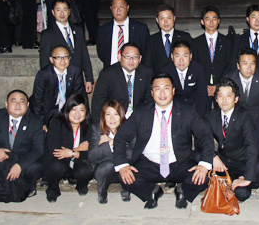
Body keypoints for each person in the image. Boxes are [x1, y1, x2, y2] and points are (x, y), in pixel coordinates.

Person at [113, 72, 214, 209]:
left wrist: (204, 164)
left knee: (204, 177)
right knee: (125, 177)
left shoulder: (187, 111)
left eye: (166, 88)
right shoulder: (141, 112)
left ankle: (182, 190)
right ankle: (152, 191)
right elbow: (121, 136)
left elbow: (205, 135)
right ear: (152, 92)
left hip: (179, 162)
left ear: (173, 91)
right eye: (157, 89)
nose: (162, 93)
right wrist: (122, 164)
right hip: (149, 163)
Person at [0, 90, 45, 201]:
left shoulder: (35, 121)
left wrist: (20, 165)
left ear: (27, 105)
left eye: (22, 101)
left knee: (34, 167)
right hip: (0, 157)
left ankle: (28, 187)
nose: (18, 104)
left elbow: (38, 149)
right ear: (6, 104)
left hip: (21, 158)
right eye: (13, 101)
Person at [205, 78, 257, 202]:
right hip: (221, 162)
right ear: (216, 99)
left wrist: (248, 178)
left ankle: (230, 184)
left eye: (228, 96)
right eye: (221, 96)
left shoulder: (244, 116)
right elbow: (203, 140)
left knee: (242, 193)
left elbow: (251, 147)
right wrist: (214, 157)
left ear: (236, 99)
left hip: (240, 163)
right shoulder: (211, 116)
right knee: (199, 178)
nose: (224, 100)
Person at [43, 93, 94, 203]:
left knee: (86, 170)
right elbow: (55, 150)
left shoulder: (90, 125)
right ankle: (52, 189)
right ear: (67, 109)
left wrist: (72, 153)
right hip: (60, 162)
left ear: (86, 112)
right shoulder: (57, 123)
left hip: (79, 162)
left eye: (81, 110)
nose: (77, 114)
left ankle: (81, 185)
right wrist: (78, 150)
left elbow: (93, 152)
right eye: (73, 109)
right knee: (56, 166)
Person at [38, 0, 94, 93]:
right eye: (58, 10)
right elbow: (44, 61)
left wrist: (89, 78)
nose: (62, 13)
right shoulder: (47, 34)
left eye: (65, 9)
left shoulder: (78, 30)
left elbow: (84, 55)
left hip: (77, 79)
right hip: (59, 81)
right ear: (53, 12)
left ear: (69, 11)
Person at [91, 42, 152, 120]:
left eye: (135, 57)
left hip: (138, 119)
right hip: (115, 119)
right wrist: (98, 124)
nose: (131, 60)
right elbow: (98, 102)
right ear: (119, 57)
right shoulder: (107, 74)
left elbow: (150, 100)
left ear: (140, 59)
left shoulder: (146, 73)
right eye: (127, 56)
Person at [87, 100, 132, 204]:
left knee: (127, 164)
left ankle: (125, 190)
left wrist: (114, 141)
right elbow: (92, 156)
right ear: (103, 117)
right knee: (108, 165)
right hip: (104, 170)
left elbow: (132, 154)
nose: (112, 118)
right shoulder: (96, 129)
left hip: (122, 169)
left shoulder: (128, 129)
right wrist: (109, 145)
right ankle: (102, 191)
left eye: (115, 114)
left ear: (121, 116)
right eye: (108, 114)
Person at [31, 46, 85, 129]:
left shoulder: (75, 71)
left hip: (67, 109)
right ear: (51, 60)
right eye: (58, 57)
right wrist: (41, 122)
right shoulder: (43, 74)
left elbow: (77, 95)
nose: (63, 60)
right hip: (48, 110)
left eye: (66, 57)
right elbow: (38, 101)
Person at [193, 6, 233, 105]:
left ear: (218, 21)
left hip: (222, 87)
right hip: (202, 88)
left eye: (214, 19)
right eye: (207, 19)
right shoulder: (195, 42)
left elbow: (229, 64)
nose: (211, 22)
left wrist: (218, 85)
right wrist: (205, 85)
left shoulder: (227, 42)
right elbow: (194, 65)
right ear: (202, 22)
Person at [96, 0, 149, 67]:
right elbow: (101, 53)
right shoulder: (103, 30)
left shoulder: (140, 29)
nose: (118, 10)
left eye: (121, 7)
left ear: (127, 7)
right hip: (111, 70)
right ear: (111, 8)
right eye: (115, 7)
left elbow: (145, 52)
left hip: (134, 70)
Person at [164, 39, 209, 117]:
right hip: (174, 112)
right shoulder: (166, 71)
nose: (181, 60)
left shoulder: (198, 69)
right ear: (172, 57)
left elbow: (202, 96)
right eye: (177, 56)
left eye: (185, 56)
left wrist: (197, 118)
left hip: (195, 110)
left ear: (190, 56)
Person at [227, 47, 259, 123]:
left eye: (252, 63)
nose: (249, 68)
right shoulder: (230, 79)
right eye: (245, 63)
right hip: (237, 120)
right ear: (238, 66)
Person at [144, 4, 193, 71]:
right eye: (162, 19)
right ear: (157, 20)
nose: (166, 22)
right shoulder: (151, 40)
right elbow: (147, 66)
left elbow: (192, 62)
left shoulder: (185, 37)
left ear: (174, 18)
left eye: (169, 18)